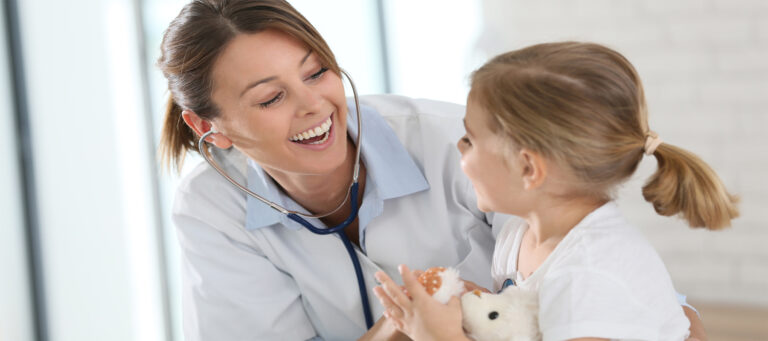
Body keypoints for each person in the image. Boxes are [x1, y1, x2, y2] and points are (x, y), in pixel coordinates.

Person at [157, 0, 708, 339]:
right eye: (272, 97)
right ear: (211, 128)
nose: (314, 107)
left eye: (318, 71)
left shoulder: (459, 146)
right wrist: (409, 325)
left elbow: (622, 301)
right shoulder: (212, 206)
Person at [373, 42, 738, 341]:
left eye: (470, 139)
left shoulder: (590, 275)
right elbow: (522, 322)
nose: (459, 149)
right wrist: (471, 301)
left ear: (528, 169)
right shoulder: (521, 236)